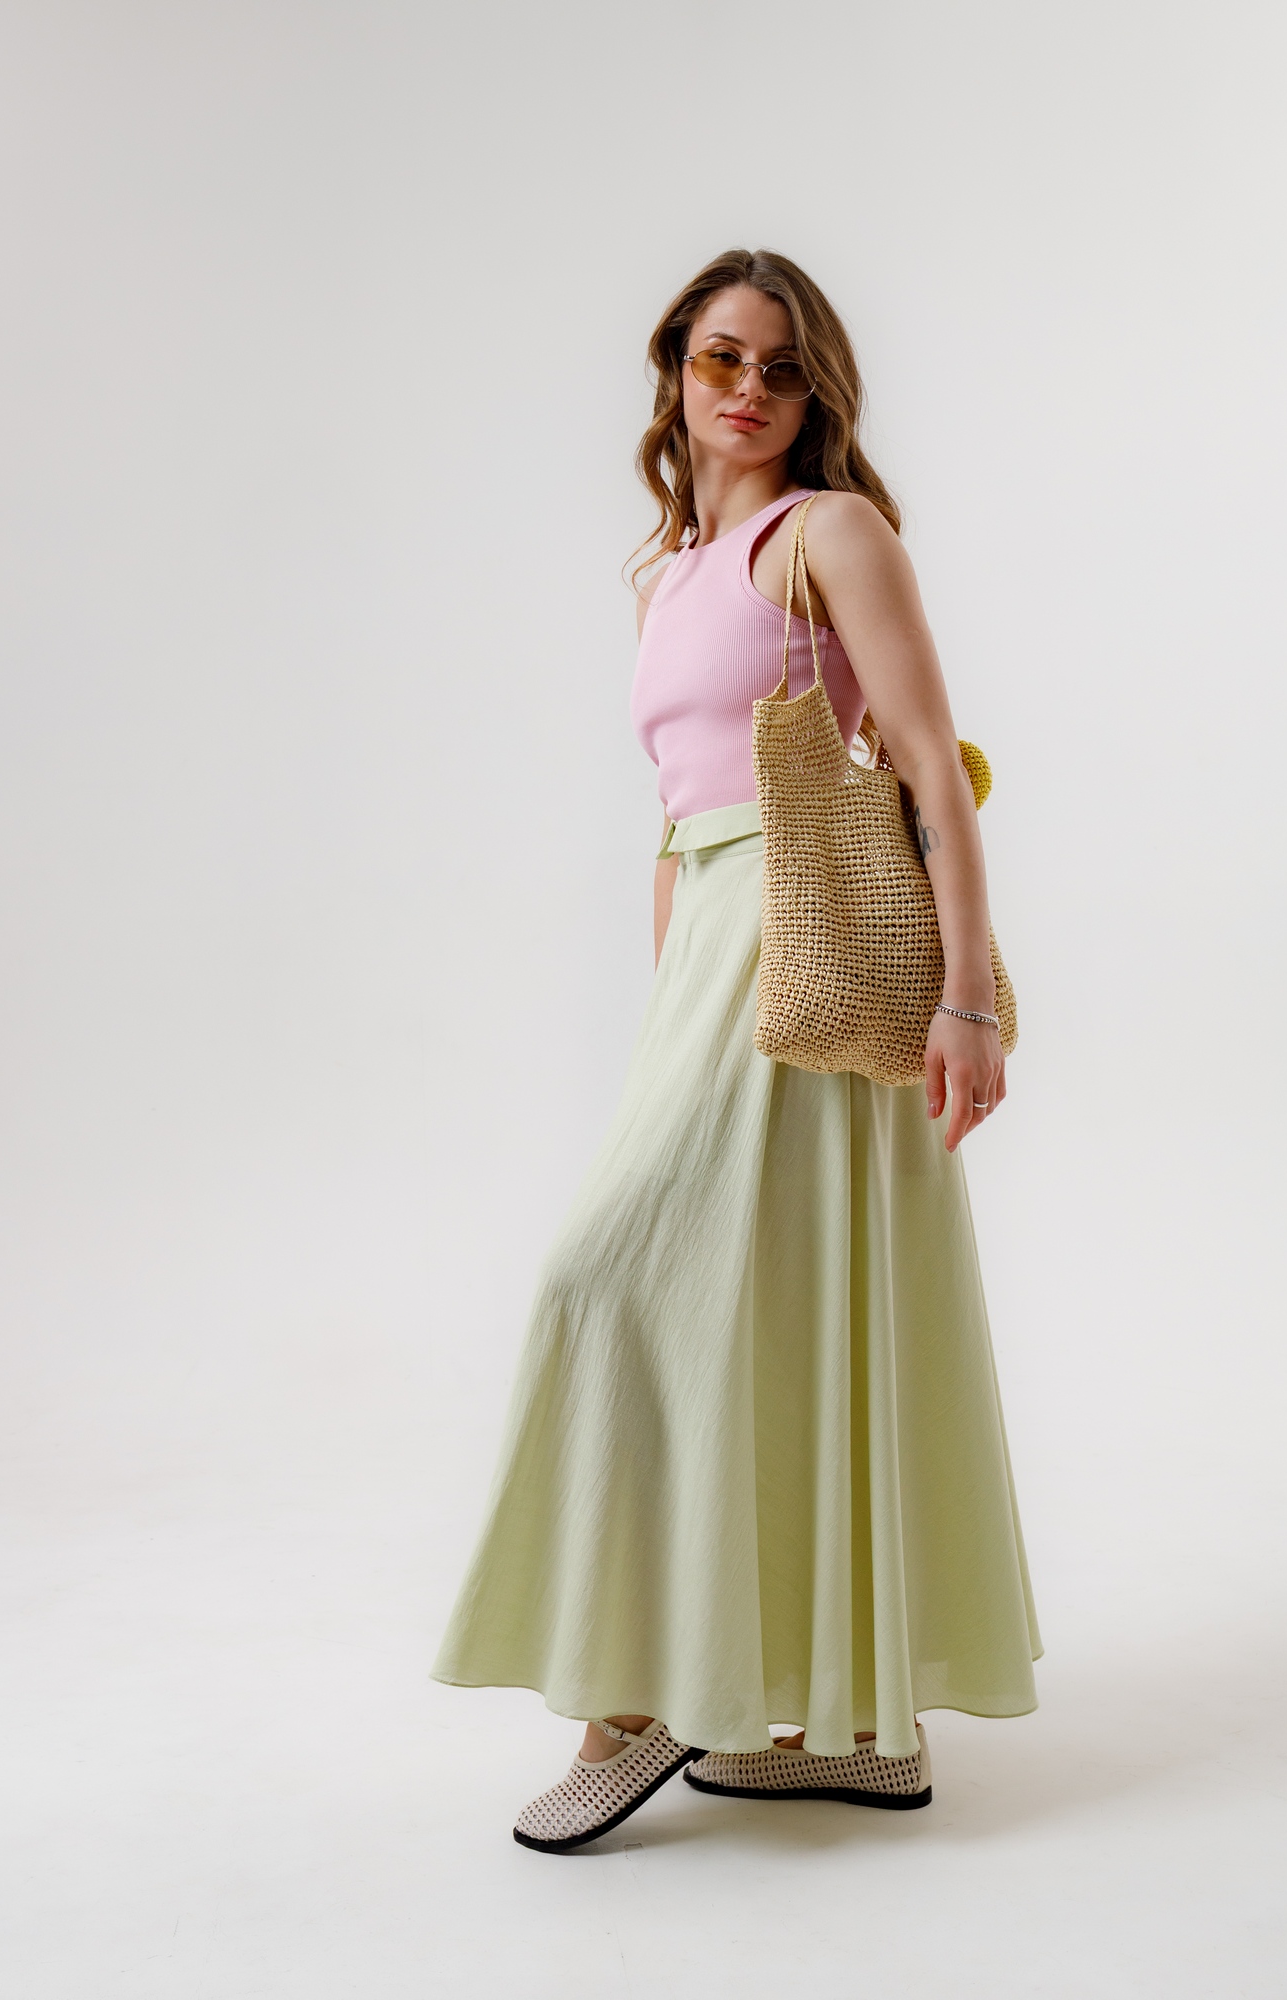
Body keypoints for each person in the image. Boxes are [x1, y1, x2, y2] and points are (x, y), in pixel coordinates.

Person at [432, 248, 1040, 1854]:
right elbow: (675, 812)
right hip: (704, 959)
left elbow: (930, 767)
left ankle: (631, 1712)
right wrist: (667, 1008)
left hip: (806, 944)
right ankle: (847, 1728)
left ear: (815, 389)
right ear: (676, 373)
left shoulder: (829, 535)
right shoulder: (670, 572)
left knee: (608, 1277)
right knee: (727, 1307)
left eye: (780, 365)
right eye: (721, 359)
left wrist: (966, 999)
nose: (750, 389)